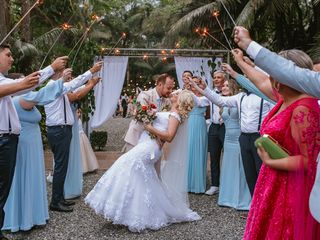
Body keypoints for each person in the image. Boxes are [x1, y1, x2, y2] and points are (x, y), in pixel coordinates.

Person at [85, 90, 200, 232]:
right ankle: (132, 213)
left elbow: (169, 136)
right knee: (139, 177)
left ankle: (135, 213)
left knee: (126, 164)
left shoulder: (175, 116)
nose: (173, 94)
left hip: (150, 148)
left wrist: (150, 127)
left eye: (176, 94)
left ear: (180, 100)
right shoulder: (169, 111)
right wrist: (146, 117)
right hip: (146, 143)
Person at [236, 49, 320, 239]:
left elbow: (309, 161)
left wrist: (271, 162)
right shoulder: (284, 98)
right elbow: (260, 81)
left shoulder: (302, 110)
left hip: (289, 188)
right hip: (271, 181)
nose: (270, 78)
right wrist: (241, 62)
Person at [0, 43, 67, 239]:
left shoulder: (5, 82)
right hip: (3, 140)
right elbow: (27, 86)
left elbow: (27, 87)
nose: (12, 59)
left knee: (3, 191)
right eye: (8, 55)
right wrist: (52, 69)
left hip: (8, 141)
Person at [189, 76, 274, 196]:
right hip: (244, 137)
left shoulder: (266, 98)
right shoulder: (240, 97)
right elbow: (220, 100)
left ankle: (265, 203)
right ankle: (253, 204)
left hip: (259, 137)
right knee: (249, 173)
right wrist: (205, 89)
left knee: (261, 171)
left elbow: (274, 117)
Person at [45, 62, 103, 213]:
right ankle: (55, 201)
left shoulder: (58, 87)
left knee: (62, 166)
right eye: (63, 72)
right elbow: (75, 89)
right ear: (56, 73)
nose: (66, 75)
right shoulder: (53, 86)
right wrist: (91, 72)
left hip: (62, 130)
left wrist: (90, 81)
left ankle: (59, 198)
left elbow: (74, 88)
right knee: (60, 166)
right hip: (58, 130)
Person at [233, 26, 320, 98]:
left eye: (274, 74)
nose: (270, 78)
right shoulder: (285, 98)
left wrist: (247, 47)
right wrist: (246, 49)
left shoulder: (304, 108)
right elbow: (263, 82)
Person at [63, 76, 101, 199]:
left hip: (72, 123)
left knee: (74, 153)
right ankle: (65, 188)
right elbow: (75, 96)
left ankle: (73, 185)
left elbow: (79, 91)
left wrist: (90, 84)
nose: (70, 79)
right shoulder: (61, 89)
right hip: (65, 126)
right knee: (67, 156)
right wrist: (90, 84)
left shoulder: (69, 88)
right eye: (68, 78)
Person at [124, 73, 174, 151]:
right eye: (168, 88)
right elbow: (143, 117)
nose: (170, 91)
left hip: (153, 143)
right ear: (160, 84)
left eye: (172, 89)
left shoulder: (167, 101)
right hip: (137, 137)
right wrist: (158, 135)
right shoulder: (145, 95)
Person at [187, 76, 210, 193]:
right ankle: (187, 183)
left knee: (198, 151)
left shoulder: (205, 97)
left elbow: (198, 102)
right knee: (188, 152)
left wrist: (190, 91)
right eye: (192, 83)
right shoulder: (187, 95)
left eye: (197, 83)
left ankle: (197, 185)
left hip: (199, 124)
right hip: (188, 124)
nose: (194, 85)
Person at [205, 70, 226, 195]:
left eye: (219, 77)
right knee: (213, 156)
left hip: (226, 127)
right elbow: (201, 101)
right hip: (214, 127)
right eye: (215, 77)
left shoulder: (230, 92)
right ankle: (214, 184)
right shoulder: (210, 93)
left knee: (228, 156)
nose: (216, 79)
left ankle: (227, 183)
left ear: (224, 79)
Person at [77, 109, 99, 173]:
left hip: (81, 135)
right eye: (78, 113)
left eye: (79, 113)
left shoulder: (79, 120)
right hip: (77, 136)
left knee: (85, 152)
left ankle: (88, 167)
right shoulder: (74, 120)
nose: (79, 114)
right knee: (81, 152)